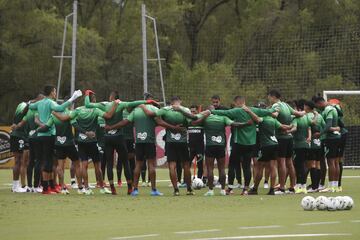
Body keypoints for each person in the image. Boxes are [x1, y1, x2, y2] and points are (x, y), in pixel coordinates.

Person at [84, 90, 156, 195]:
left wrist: (87, 94)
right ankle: (129, 187)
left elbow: (87, 104)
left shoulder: (104, 105)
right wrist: (148, 101)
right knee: (125, 161)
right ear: (117, 97)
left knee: (109, 163)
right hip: (119, 137)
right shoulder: (120, 104)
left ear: (110, 97)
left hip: (108, 137)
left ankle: (112, 187)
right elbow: (134, 103)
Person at [211, 96, 276, 195]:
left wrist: (212, 111)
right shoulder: (254, 110)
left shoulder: (236, 111)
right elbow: (267, 111)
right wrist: (274, 108)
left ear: (236, 102)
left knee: (232, 165)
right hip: (251, 143)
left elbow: (223, 113)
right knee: (247, 166)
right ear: (244, 101)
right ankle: (245, 189)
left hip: (238, 143)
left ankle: (230, 188)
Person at [52, 94, 117, 195]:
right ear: (93, 100)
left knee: (83, 165)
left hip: (81, 142)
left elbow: (66, 120)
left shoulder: (78, 110)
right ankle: (102, 187)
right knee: (97, 166)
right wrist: (115, 105)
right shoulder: (95, 110)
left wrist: (54, 113)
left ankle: (86, 188)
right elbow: (108, 115)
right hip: (92, 141)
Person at [28, 85, 83, 194]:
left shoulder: (40, 103)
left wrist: (30, 102)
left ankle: (50, 186)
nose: (55, 93)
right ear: (51, 92)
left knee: (46, 161)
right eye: (55, 91)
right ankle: (46, 188)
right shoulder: (49, 102)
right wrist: (72, 99)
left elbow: (31, 106)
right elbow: (60, 108)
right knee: (49, 162)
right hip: (49, 134)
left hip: (40, 136)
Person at [104, 100, 164, 196]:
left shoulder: (136, 111)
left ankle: (135, 189)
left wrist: (111, 127)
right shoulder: (154, 109)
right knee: (151, 165)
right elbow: (160, 121)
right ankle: (153, 190)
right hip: (149, 141)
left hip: (139, 142)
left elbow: (124, 122)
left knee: (138, 165)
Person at [191, 108, 252, 196]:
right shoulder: (223, 117)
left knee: (210, 169)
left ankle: (211, 190)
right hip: (220, 146)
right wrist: (246, 123)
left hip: (210, 146)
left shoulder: (206, 117)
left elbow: (194, 123)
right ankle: (223, 190)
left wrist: (204, 116)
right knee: (222, 169)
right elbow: (234, 124)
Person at [142, 96, 194, 196]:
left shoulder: (165, 110)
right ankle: (189, 189)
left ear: (171, 103)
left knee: (172, 165)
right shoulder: (185, 109)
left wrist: (171, 127)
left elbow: (157, 119)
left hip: (170, 141)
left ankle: (176, 190)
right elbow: (191, 120)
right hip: (183, 141)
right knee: (186, 165)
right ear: (180, 101)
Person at [248, 103, 291, 195]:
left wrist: (249, 111)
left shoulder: (263, 119)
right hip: (275, 144)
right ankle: (271, 189)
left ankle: (255, 189)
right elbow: (284, 127)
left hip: (265, 146)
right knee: (273, 167)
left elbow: (256, 118)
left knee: (259, 167)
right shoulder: (273, 120)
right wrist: (291, 126)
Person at [267, 90, 304, 194]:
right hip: (289, 137)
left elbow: (274, 115)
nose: (268, 99)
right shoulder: (286, 105)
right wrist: (307, 112)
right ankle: (292, 187)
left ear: (272, 96)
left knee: (281, 163)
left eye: (269, 97)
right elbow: (298, 114)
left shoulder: (276, 105)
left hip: (280, 137)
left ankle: (282, 187)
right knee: (290, 163)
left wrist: (267, 112)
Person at [314, 96, 342, 193]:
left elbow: (329, 125)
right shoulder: (333, 108)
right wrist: (335, 128)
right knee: (336, 162)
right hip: (337, 137)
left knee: (331, 162)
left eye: (317, 105)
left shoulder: (328, 110)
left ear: (319, 103)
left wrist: (320, 133)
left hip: (330, 139)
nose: (317, 108)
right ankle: (336, 186)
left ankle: (331, 186)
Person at [287, 100, 312, 194]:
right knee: (303, 165)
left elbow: (295, 128)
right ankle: (303, 185)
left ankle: (299, 185)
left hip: (298, 145)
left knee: (298, 165)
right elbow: (312, 124)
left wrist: (287, 131)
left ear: (298, 109)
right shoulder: (306, 117)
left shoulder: (296, 119)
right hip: (306, 144)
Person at [10, 102, 32, 192]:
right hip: (20, 137)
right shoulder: (23, 111)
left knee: (19, 161)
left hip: (17, 136)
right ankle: (16, 186)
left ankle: (16, 185)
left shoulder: (18, 111)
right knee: (19, 161)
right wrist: (30, 103)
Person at [304, 100, 325, 193]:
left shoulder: (307, 115)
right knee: (318, 164)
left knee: (311, 164)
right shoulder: (320, 116)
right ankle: (317, 186)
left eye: (305, 106)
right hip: (319, 142)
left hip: (311, 143)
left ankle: (313, 187)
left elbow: (310, 125)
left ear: (308, 107)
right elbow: (324, 126)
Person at [188, 105, 205, 182]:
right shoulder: (188, 121)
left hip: (200, 147)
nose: (192, 113)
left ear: (197, 112)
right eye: (191, 111)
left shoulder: (201, 121)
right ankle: (186, 180)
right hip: (190, 147)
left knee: (200, 164)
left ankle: (199, 180)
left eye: (194, 111)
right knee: (187, 164)